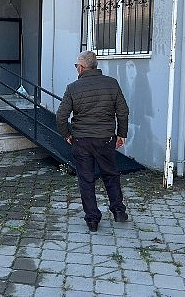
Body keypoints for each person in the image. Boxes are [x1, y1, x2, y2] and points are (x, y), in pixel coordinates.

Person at [56, 50, 130, 233]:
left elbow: (61, 116)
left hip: (81, 140)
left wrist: (67, 134)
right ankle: (119, 211)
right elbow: (123, 111)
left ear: (81, 68)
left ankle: (92, 220)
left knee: (86, 179)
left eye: (76, 66)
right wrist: (121, 133)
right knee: (111, 174)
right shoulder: (112, 84)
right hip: (105, 139)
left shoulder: (73, 88)